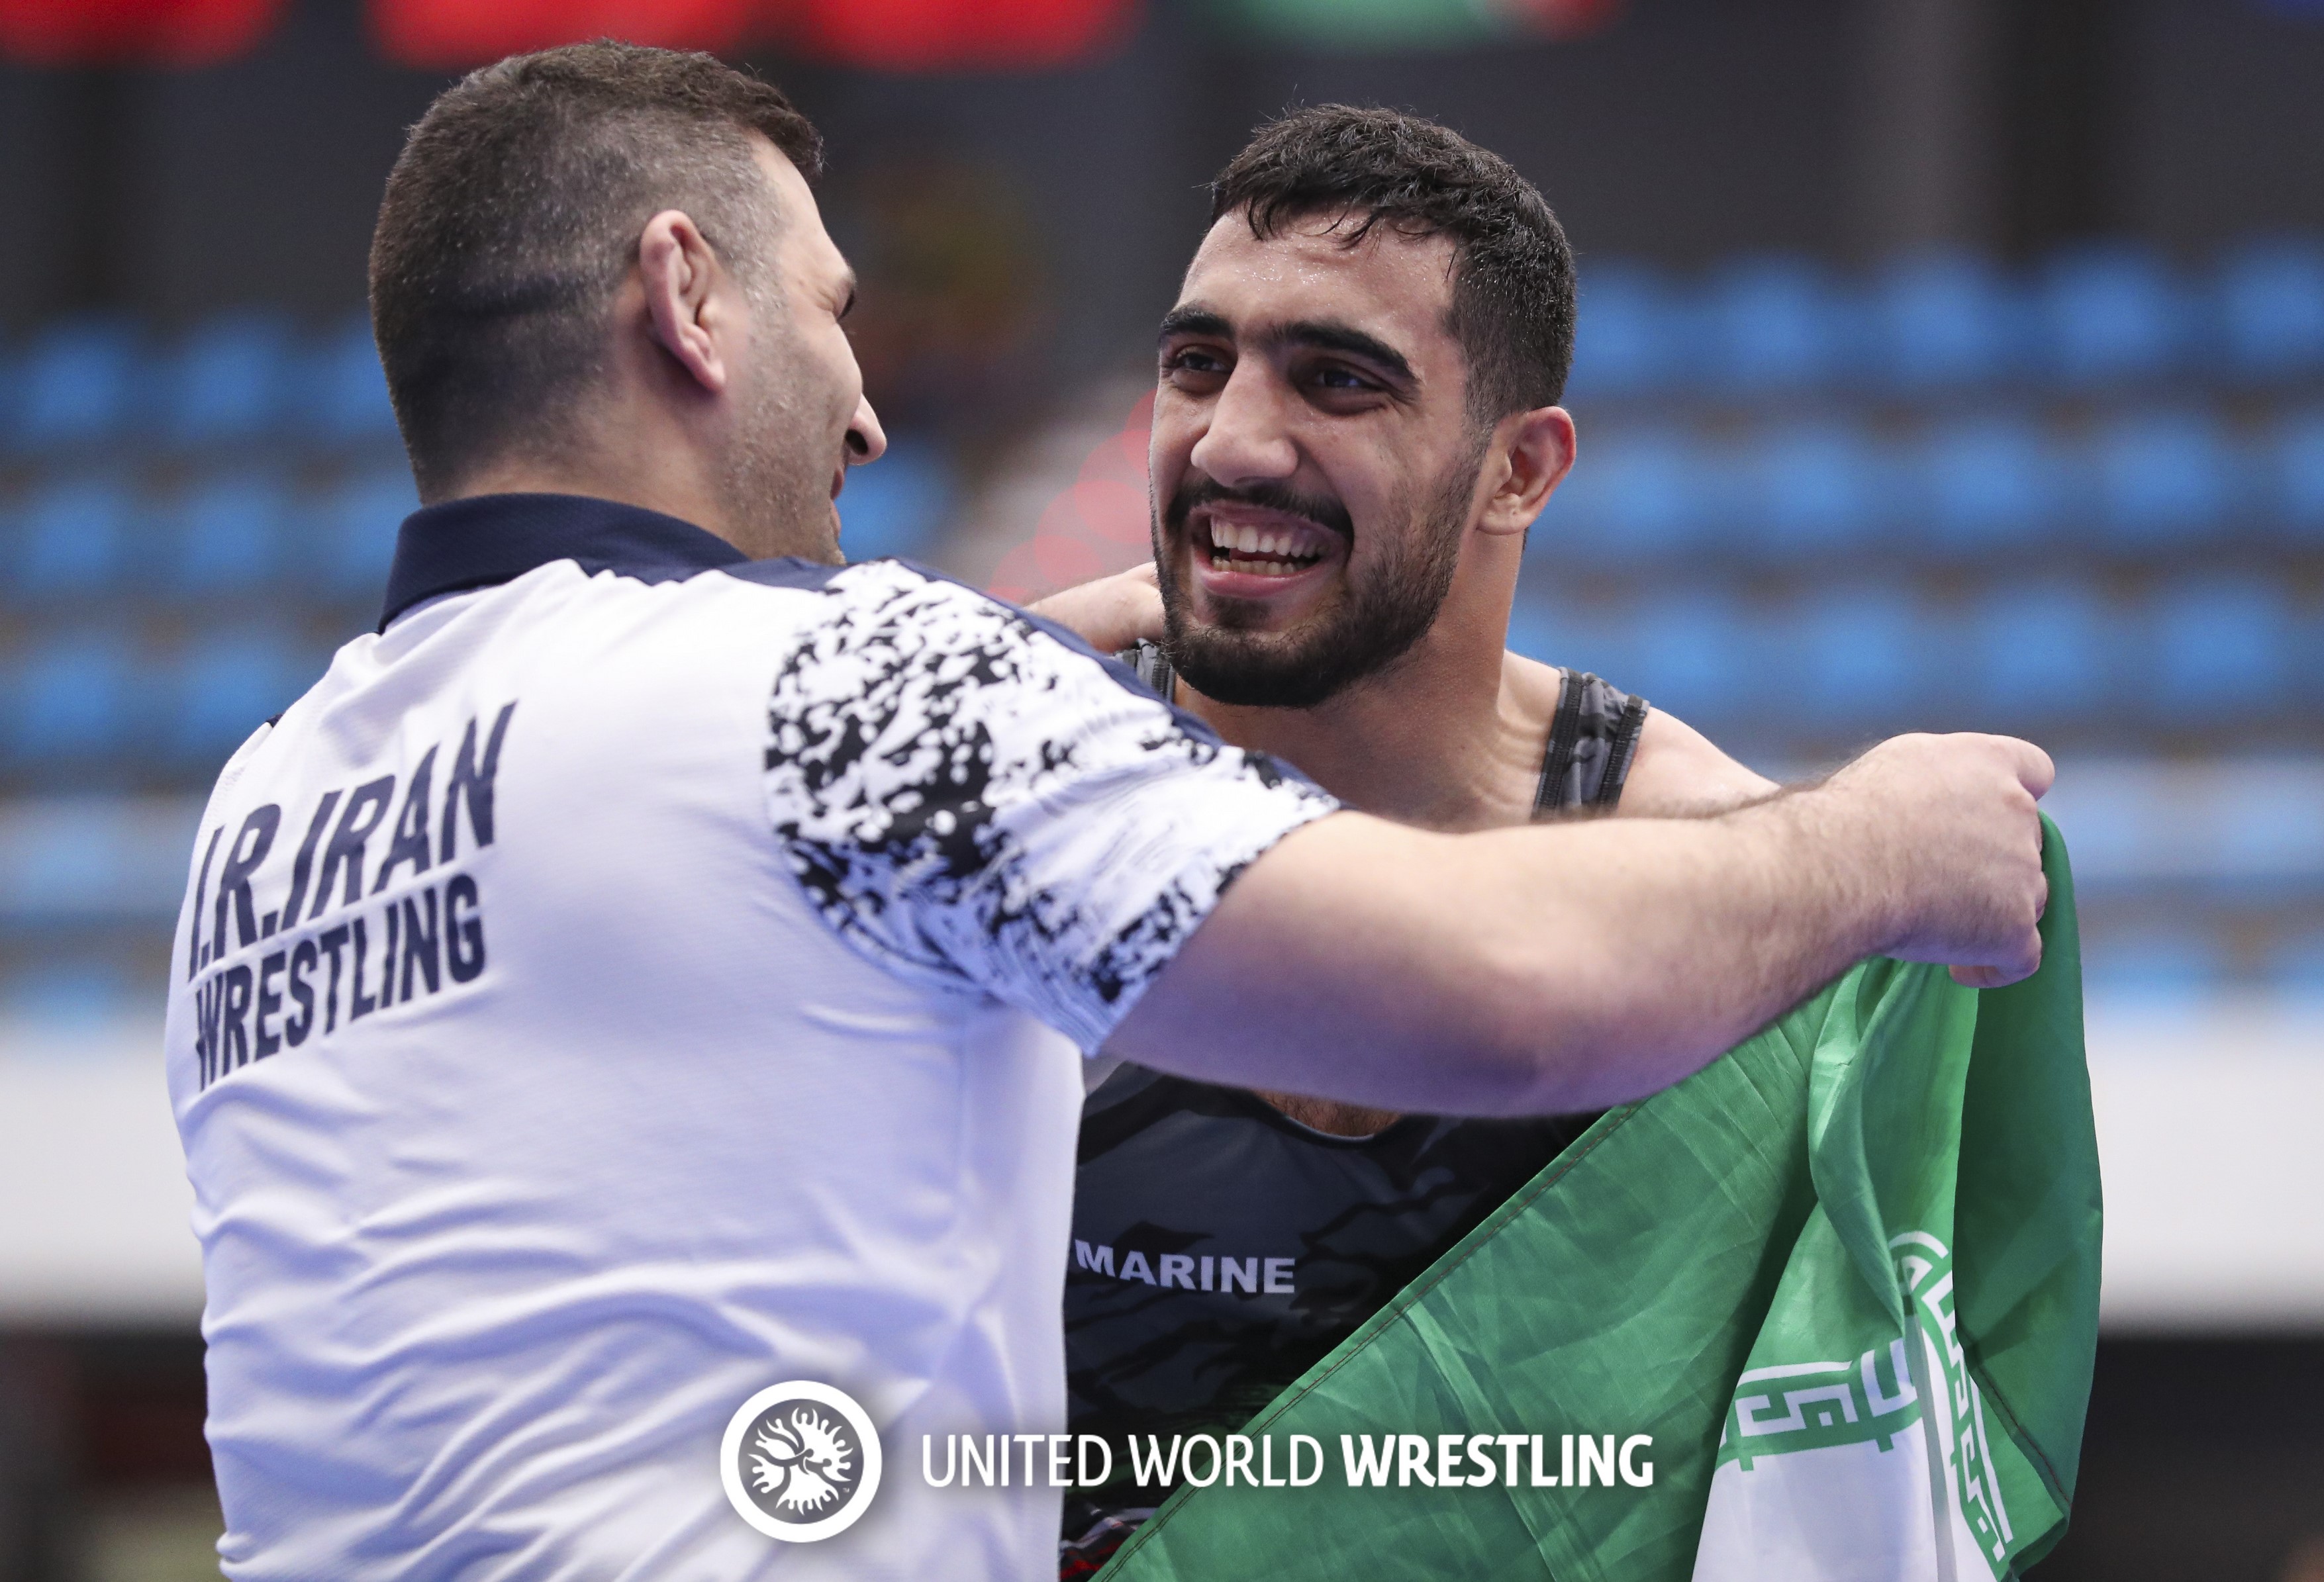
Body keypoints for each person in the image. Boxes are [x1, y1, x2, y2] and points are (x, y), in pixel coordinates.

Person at [164, 44, 2052, 1581]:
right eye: (834, 311)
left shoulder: (270, 803)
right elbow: (1511, 997)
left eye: (1332, 376)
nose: (869, 415)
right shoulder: (844, 687)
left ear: (1520, 468)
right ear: (687, 296)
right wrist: (1886, 839)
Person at [1054, 105, 1883, 1565]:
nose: (1232, 440)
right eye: (1198, 364)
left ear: (1520, 472)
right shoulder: (1012, 783)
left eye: (1336, 379)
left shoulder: (1718, 861)